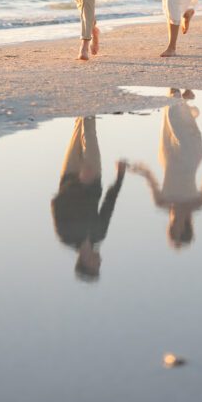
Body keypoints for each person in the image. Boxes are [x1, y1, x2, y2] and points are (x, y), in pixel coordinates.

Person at [128, 94, 202, 248]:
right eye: (175, 228)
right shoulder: (197, 203)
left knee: (168, 116)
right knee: (175, 116)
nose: (171, 224)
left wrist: (133, 168)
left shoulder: (162, 202)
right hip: (191, 155)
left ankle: (180, 97)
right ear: (186, 226)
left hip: (168, 155)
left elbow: (149, 177)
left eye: (170, 228)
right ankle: (177, 94)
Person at [50, 116, 126, 281]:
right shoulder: (99, 234)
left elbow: (56, 203)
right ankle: (91, 97)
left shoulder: (66, 236)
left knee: (78, 128)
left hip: (70, 176)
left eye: (96, 266)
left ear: (85, 262)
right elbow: (109, 204)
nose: (100, 262)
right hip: (94, 177)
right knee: (90, 131)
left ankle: (81, 96)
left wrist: (79, 183)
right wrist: (120, 177)